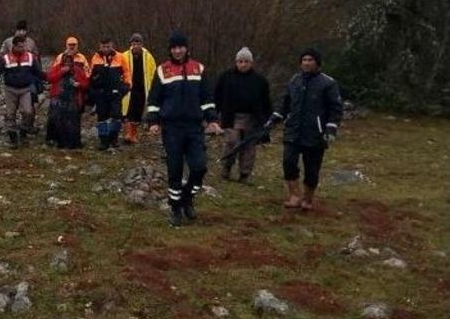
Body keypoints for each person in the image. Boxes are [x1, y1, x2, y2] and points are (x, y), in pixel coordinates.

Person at [146, 32, 222, 227]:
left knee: (200, 166)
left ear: (187, 48)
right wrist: (153, 121)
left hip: (194, 127)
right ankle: (175, 209)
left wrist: (212, 119)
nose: (178, 50)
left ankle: (187, 198)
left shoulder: (199, 68)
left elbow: (206, 98)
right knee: (175, 170)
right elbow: (154, 100)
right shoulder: (163, 70)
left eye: (181, 47)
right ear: (170, 49)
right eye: (174, 47)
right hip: (171, 128)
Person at [267, 48, 343, 211]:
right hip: (293, 130)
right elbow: (285, 103)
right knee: (288, 162)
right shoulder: (295, 80)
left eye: (310, 60)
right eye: (304, 60)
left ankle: (308, 198)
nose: (307, 63)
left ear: (317, 63)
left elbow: (335, 109)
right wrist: (275, 117)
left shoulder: (328, 83)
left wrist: (331, 129)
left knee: (312, 170)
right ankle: (294, 195)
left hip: (316, 134)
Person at [214, 47, 272, 183]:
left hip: (252, 118)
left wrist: (268, 118)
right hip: (230, 116)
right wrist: (214, 114)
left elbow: (266, 101)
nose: (243, 64)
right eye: (240, 61)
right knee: (232, 142)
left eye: (246, 61)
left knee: (249, 146)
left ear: (251, 63)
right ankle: (226, 168)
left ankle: (245, 174)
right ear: (236, 62)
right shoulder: (226, 76)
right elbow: (217, 95)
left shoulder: (259, 80)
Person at [0, 36, 44, 148]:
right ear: (14, 46)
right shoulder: (5, 58)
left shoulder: (30, 57)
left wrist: (49, 79)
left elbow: (39, 72)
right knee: (11, 114)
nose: (23, 48)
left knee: (27, 112)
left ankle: (23, 132)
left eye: (23, 46)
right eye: (20, 46)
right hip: (10, 89)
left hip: (26, 89)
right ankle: (13, 138)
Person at [0, 20, 42, 132]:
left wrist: (39, 76)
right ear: (16, 30)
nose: (21, 32)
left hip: (29, 77)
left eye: (23, 29)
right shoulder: (8, 41)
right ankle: (12, 130)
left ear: (26, 30)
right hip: (12, 74)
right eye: (19, 29)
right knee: (11, 108)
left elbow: (37, 57)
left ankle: (27, 127)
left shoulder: (31, 42)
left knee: (30, 105)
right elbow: (1, 56)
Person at [89, 38, 131, 150]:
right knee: (101, 117)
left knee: (116, 116)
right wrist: (92, 90)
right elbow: (91, 75)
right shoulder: (95, 57)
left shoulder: (120, 57)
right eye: (104, 47)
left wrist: (126, 87)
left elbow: (127, 73)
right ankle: (103, 140)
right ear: (100, 46)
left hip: (116, 92)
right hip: (101, 92)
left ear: (112, 45)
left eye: (108, 46)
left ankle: (114, 138)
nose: (106, 49)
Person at [45, 42, 90, 149]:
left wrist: (79, 85)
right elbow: (50, 78)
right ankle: (57, 141)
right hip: (58, 99)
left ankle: (73, 143)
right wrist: (61, 72)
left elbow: (86, 84)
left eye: (69, 62)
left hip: (73, 99)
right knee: (57, 119)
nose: (67, 64)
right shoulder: (57, 68)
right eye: (65, 61)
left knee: (73, 122)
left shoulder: (78, 71)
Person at [121, 33, 156, 144]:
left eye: (138, 43)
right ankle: (127, 134)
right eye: (134, 43)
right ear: (131, 44)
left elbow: (153, 72)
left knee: (137, 112)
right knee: (126, 111)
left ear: (141, 44)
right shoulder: (125, 56)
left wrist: (153, 86)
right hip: (128, 88)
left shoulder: (148, 56)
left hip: (142, 88)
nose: (136, 46)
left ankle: (134, 134)